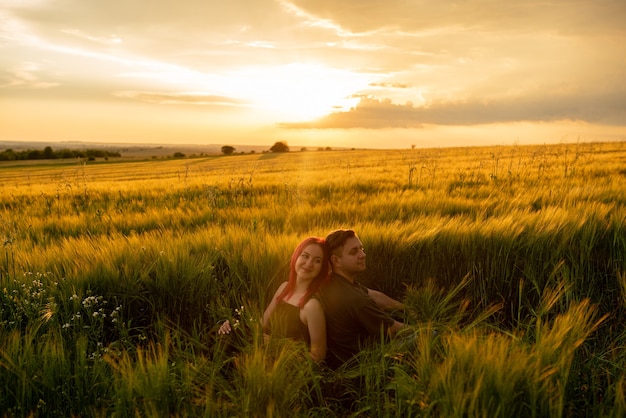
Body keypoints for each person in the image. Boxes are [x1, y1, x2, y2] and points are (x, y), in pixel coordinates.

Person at [218, 237, 330, 362]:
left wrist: (276, 345)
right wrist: (236, 325)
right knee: (223, 337)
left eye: (317, 261)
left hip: (283, 367)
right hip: (261, 353)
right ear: (296, 257)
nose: (309, 264)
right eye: (305, 256)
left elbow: (318, 357)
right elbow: (262, 325)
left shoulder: (312, 305)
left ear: (322, 268)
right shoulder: (284, 287)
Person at [319, 229, 405, 368]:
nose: (363, 255)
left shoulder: (335, 281)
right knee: (431, 334)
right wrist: (427, 328)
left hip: (342, 356)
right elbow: (394, 329)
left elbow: (374, 295)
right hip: (363, 362)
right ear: (336, 261)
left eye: (362, 248)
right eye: (354, 252)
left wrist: (406, 308)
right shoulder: (356, 299)